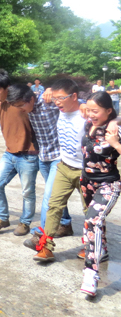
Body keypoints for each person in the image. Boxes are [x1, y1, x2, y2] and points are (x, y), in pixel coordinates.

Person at [6, 84, 74, 247]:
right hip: (43, 158)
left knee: (49, 197)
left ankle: (42, 235)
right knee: (57, 194)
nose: (21, 110)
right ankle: (65, 224)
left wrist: (51, 89)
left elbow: (75, 100)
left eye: (21, 105)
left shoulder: (48, 102)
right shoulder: (28, 105)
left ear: (31, 99)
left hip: (59, 157)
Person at [30, 80, 88, 262]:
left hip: (86, 171)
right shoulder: (59, 110)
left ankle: (94, 247)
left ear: (74, 96)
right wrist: (48, 91)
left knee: (90, 211)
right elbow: (36, 100)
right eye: (55, 99)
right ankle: (46, 248)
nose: (57, 102)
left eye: (61, 98)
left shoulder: (87, 113)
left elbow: (111, 117)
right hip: (63, 167)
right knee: (54, 206)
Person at [78, 92, 121, 296]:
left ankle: (91, 272)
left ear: (108, 110)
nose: (90, 114)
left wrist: (115, 143)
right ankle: (101, 252)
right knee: (97, 222)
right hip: (87, 182)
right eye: (88, 110)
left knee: (92, 221)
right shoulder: (89, 124)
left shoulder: (115, 129)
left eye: (95, 111)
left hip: (108, 184)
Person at [0, 69, 39, 236]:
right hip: (9, 154)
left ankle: (25, 222)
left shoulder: (22, 103)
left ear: (7, 88)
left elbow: (40, 103)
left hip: (29, 155)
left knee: (27, 192)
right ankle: (3, 217)